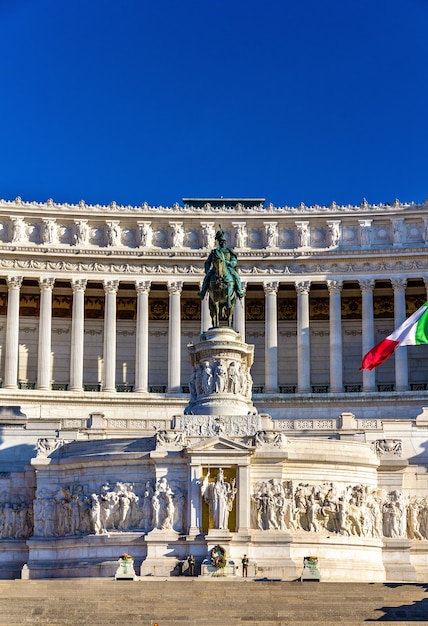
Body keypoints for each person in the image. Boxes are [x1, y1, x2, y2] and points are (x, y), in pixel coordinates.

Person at [198, 226, 244, 302]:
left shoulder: (229, 251)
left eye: (223, 241)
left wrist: (230, 263)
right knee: (207, 277)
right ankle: (203, 292)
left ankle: (239, 291)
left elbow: (234, 260)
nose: (222, 243)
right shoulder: (215, 252)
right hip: (216, 268)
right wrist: (207, 271)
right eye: (220, 241)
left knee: (236, 276)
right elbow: (208, 262)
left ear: (225, 242)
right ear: (219, 242)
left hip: (228, 267)